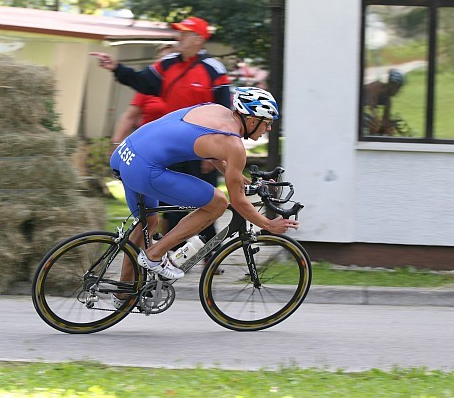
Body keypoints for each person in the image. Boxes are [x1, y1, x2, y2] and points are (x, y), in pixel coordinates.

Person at [109, 87, 299, 293]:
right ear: (252, 120)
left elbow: (213, 152)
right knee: (217, 202)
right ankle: (155, 255)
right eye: (267, 123)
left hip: (124, 155)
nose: (269, 129)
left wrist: (240, 179)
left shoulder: (215, 110)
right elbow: (238, 202)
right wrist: (268, 224)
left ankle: (123, 293)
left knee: (147, 223)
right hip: (144, 169)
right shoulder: (233, 145)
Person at [92, 16, 231, 247]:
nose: (180, 37)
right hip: (170, 149)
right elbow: (141, 81)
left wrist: (215, 153)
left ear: (198, 39)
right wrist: (116, 68)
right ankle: (167, 256)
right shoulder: (168, 64)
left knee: (208, 204)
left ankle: (208, 257)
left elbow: (224, 113)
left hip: (202, 151)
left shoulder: (213, 69)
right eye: (180, 33)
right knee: (171, 208)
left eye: (185, 34)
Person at [110, 44, 174, 147]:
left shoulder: (184, 88)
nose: (162, 62)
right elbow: (129, 117)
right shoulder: (149, 87)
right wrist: (116, 143)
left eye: (167, 58)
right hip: (147, 144)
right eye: (159, 58)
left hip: (174, 145)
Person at [363, 69, 406, 135]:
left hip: (365, 113)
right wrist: (378, 122)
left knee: (382, 130)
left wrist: (390, 125)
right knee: (374, 125)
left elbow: (385, 120)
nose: (399, 91)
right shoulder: (376, 86)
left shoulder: (388, 101)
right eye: (398, 88)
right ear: (392, 84)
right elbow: (371, 108)